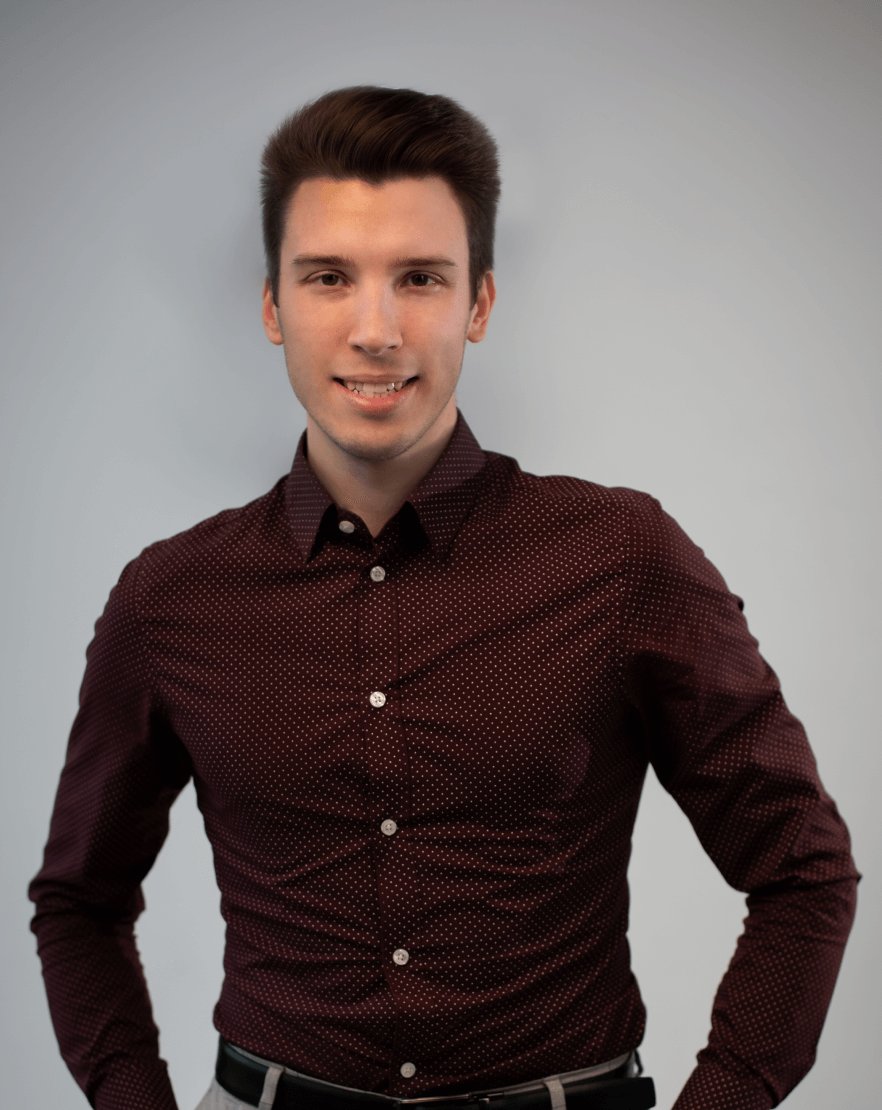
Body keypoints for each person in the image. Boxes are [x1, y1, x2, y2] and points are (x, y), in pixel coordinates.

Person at [30, 86, 858, 1110]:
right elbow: (78, 901)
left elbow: (802, 871)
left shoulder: (622, 560)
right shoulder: (171, 600)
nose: (375, 330)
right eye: (329, 277)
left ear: (479, 304)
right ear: (273, 306)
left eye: (419, 278)